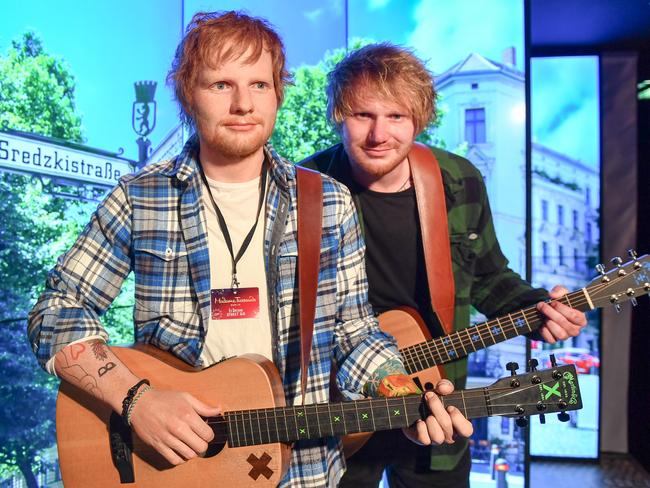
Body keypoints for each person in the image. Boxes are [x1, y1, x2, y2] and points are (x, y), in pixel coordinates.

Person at [27, 14, 473, 487]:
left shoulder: (327, 202)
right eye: (221, 84)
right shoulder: (141, 197)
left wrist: (401, 392)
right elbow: (56, 312)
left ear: (277, 94)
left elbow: (355, 333)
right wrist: (138, 400)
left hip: (305, 471)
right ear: (187, 95)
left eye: (259, 84)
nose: (243, 104)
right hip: (175, 469)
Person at [300, 43, 588, 488]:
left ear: (420, 119)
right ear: (339, 115)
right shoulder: (305, 189)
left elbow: (490, 277)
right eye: (363, 115)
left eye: (396, 116)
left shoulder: (458, 180)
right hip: (336, 407)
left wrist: (538, 309)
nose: (379, 134)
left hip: (439, 402)